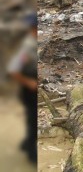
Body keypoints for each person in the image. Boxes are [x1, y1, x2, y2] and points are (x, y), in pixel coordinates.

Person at [7, 13, 38, 163]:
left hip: (33, 87)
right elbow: (13, 70)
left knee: (32, 119)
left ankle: (26, 144)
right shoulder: (27, 47)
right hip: (29, 89)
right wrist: (29, 83)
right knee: (33, 119)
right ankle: (32, 154)